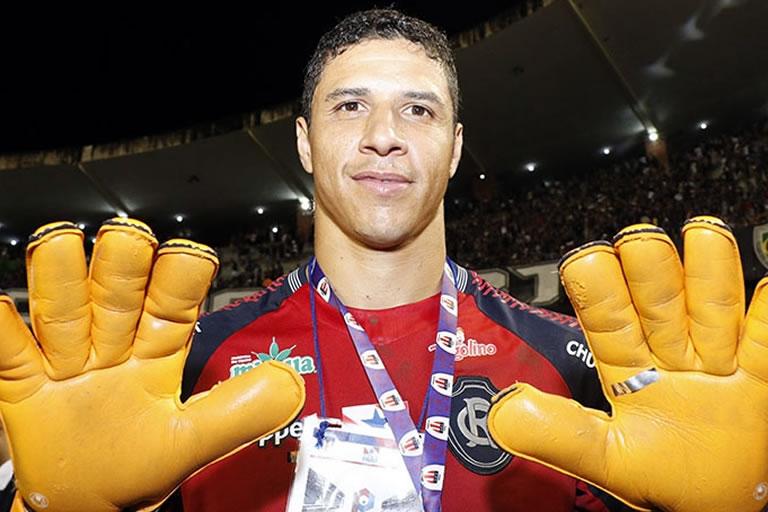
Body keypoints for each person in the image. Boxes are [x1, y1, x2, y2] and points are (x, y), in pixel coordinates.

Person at [2, 8, 767, 512]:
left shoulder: (582, 365)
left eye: (418, 109)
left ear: (456, 147)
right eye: (350, 105)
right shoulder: (180, 365)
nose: (383, 136)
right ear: (304, 141)